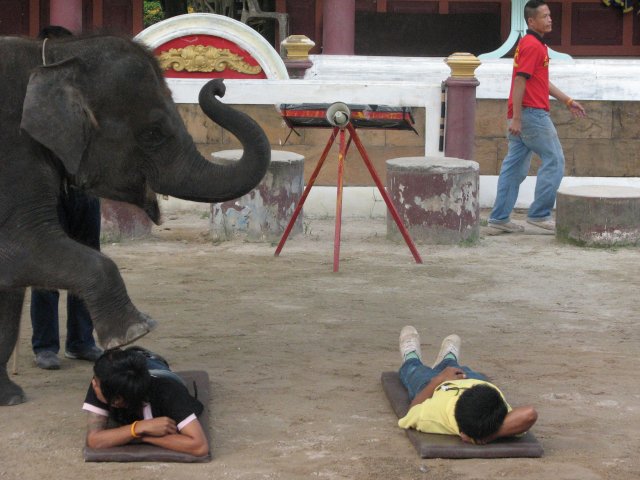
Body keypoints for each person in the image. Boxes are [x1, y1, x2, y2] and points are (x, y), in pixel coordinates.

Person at [31, 25, 103, 370]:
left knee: (86, 264)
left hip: (84, 188)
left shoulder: (86, 88)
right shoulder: (27, 90)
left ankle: (81, 341)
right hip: (45, 191)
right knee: (47, 266)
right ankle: (45, 345)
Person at [488, 0, 586, 234]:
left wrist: (567, 100)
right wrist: (519, 118)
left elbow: (539, 80)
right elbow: (520, 81)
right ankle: (539, 215)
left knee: (514, 169)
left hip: (522, 114)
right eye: (544, 16)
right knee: (555, 160)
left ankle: (499, 219)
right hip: (532, 114)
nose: (550, 19)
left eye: (549, 15)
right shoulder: (533, 45)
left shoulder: (532, 45)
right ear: (531, 21)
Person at [397, 326, 537, 444]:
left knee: (415, 371)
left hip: (435, 388)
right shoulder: (498, 413)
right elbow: (529, 414)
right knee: (455, 368)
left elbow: (413, 409)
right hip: (474, 380)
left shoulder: (434, 414)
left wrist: (438, 380)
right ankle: (448, 359)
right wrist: (488, 436)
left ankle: (411, 357)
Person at [82, 347, 209, 457]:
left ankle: (146, 356)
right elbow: (95, 440)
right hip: (134, 365)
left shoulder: (169, 392)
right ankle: (136, 353)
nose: (93, 384)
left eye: (96, 384)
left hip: (158, 370)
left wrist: (141, 436)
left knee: (152, 366)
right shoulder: (103, 381)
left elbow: (199, 446)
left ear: (117, 400)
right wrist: (138, 428)